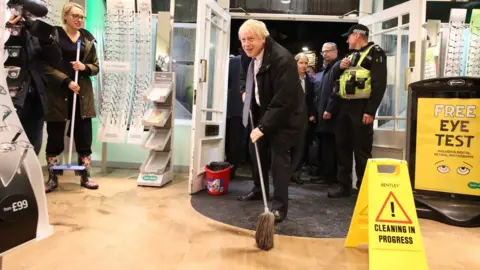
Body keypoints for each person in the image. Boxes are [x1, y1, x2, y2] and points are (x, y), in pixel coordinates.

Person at [236, 19, 306, 223]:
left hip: (286, 116)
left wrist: (263, 126)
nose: (246, 44)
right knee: (256, 150)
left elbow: (283, 101)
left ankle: (279, 207)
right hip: (263, 109)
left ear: (263, 38)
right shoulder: (248, 54)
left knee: (278, 159)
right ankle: (259, 189)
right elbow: (244, 74)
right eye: (243, 40)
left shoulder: (282, 59)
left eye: (250, 39)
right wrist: (244, 90)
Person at [324, 24, 387, 198]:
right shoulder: (349, 56)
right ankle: (344, 186)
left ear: (358, 36)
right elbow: (338, 83)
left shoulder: (376, 53)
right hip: (344, 107)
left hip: (361, 108)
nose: (347, 40)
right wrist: (330, 108)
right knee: (342, 147)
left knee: (361, 150)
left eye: (349, 36)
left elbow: (379, 84)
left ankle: (363, 189)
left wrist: (370, 111)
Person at [42, 3, 99, 193]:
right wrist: (66, 80)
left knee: (84, 136)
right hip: (59, 93)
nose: (79, 19)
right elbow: (45, 66)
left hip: (81, 94)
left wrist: (85, 68)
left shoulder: (87, 39)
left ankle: (85, 176)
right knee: (55, 135)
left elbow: (96, 66)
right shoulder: (54, 36)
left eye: (82, 17)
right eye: (75, 15)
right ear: (65, 16)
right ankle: (52, 178)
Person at [4, 10, 48, 155]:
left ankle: (29, 174)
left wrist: (47, 39)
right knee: (7, 137)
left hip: (35, 94)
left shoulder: (35, 30)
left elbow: (53, 59)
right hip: (10, 94)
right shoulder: (6, 27)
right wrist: (8, 29)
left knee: (33, 139)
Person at [314, 42, 340, 186]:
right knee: (324, 146)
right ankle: (325, 175)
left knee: (330, 147)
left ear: (336, 52)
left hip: (331, 115)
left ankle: (330, 177)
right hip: (323, 114)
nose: (325, 54)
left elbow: (336, 91)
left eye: (328, 51)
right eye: (323, 52)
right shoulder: (327, 69)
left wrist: (330, 109)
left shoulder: (337, 67)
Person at [291, 53, 315, 185]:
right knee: (287, 146)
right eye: (301, 63)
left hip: (303, 117)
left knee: (300, 146)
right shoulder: (289, 79)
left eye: (306, 63)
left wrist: (311, 113)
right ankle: (284, 173)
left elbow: (310, 100)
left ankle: (295, 173)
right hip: (289, 117)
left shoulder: (309, 81)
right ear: (295, 63)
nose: (304, 66)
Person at [225, 54, 245, 178]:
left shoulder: (233, 62)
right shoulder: (236, 62)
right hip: (241, 107)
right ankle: (234, 166)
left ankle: (232, 168)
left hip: (235, 107)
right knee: (237, 140)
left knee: (234, 139)